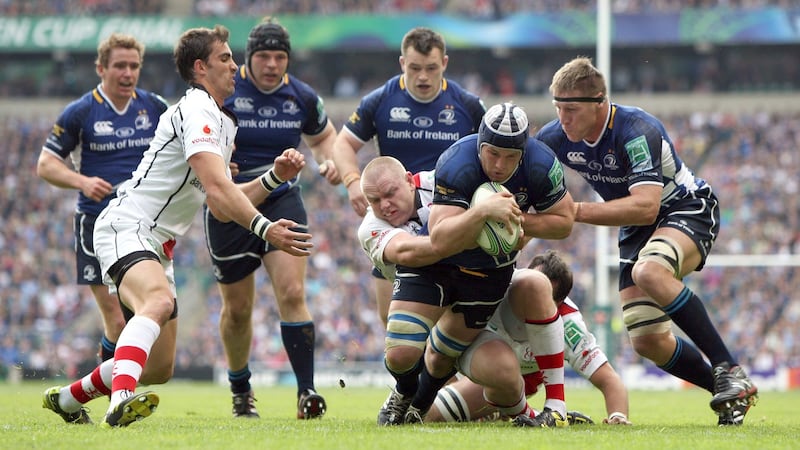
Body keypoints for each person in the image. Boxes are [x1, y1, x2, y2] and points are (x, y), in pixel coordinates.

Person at [41, 25, 312, 428]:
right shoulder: (196, 109)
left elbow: (220, 206)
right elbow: (219, 189)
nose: (235, 66)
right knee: (158, 302)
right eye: (225, 58)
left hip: (156, 239)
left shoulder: (222, 122)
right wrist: (266, 228)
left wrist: (273, 177)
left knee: (160, 367)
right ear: (201, 67)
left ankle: (67, 398)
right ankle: (121, 400)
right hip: (127, 224)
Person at [534, 56, 758, 426]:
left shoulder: (637, 129)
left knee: (650, 271)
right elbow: (527, 178)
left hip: (683, 208)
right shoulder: (556, 137)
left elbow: (645, 205)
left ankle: (728, 368)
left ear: (600, 102)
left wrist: (573, 210)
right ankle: (730, 394)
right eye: (558, 108)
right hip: (638, 230)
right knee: (647, 340)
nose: (563, 119)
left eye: (571, 109)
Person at [378, 102, 576, 427]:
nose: (500, 165)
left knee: (443, 356)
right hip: (435, 264)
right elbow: (441, 238)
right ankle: (402, 393)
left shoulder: (542, 165)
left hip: (489, 273)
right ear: (480, 145)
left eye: (511, 157)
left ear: (523, 152)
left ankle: (417, 409)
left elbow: (564, 223)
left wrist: (516, 218)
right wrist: (483, 212)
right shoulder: (456, 161)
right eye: (492, 154)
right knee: (400, 352)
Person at [204, 18, 339, 420]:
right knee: (239, 309)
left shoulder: (302, 96)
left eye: (280, 57)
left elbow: (324, 136)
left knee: (293, 294)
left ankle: (306, 392)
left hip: (283, 200)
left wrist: (327, 160)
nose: (272, 64)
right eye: (264, 56)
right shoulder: (224, 91)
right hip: (232, 203)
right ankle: (241, 390)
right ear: (248, 58)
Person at [332, 26, 485, 326]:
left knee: (445, 320)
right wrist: (352, 182)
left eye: (431, 68)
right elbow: (342, 144)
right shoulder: (380, 101)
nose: (423, 76)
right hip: (396, 221)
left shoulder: (467, 105)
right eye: (415, 68)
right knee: (392, 320)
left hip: (446, 214)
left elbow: (492, 153)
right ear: (403, 64)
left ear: (445, 63)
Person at [36, 32, 169, 366]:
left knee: (141, 314)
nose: (128, 73)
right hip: (96, 224)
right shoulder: (80, 112)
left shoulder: (154, 107)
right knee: (117, 319)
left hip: (143, 226)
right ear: (101, 68)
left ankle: (101, 388)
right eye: (120, 66)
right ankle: (112, 395)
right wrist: (80, 181)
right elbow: (46, 164)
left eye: (134, 66)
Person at [427, 250, 632, 425]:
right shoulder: (498, 289)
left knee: (430, 414)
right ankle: (522, 414)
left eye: (542, 292)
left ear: (558, 302)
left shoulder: (569, 325)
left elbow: (610, 380)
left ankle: (521, 411)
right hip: (459, 367)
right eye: (529, 286)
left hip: (503, 387)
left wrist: (618, 416)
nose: (531, 293)